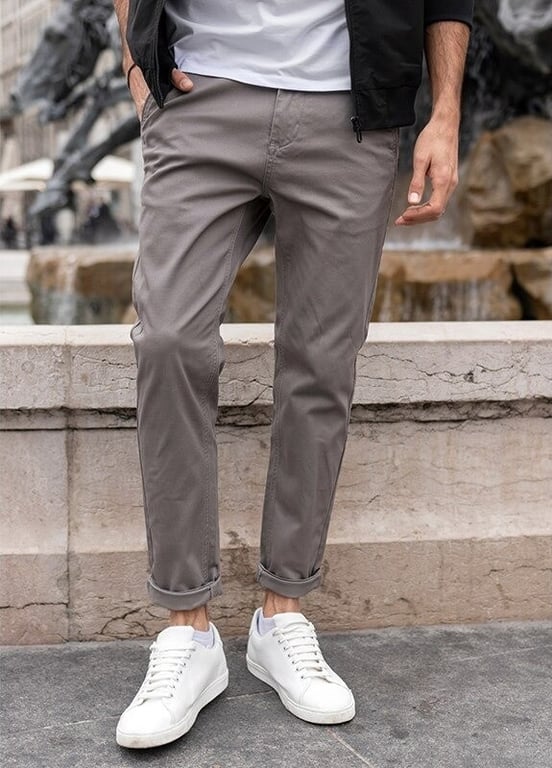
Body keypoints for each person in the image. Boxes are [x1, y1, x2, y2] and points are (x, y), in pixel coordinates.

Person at [113, 0, 473, 749]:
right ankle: (187, 629)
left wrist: (445, 115)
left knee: (321, 362)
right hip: (199, 95)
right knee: (169, 340)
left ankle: (282, 615)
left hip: (351, 113)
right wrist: (136, 62)